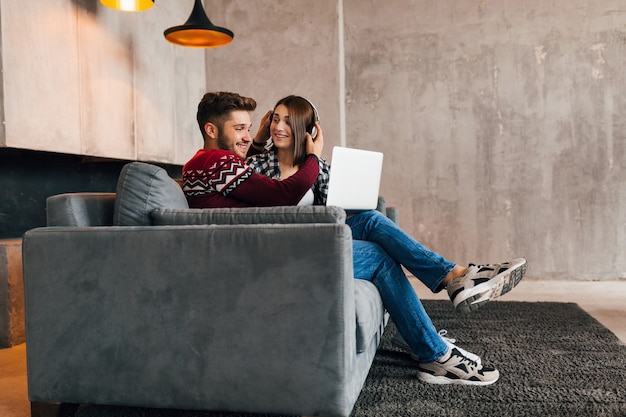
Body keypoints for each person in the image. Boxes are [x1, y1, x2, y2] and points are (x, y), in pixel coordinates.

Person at [183, 92, 528, 386]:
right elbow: (284, 193)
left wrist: (280, 147)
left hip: (281, 243)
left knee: (369, 219)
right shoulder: (216, 162)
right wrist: (312, 154)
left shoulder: (220, 162)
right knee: (378, 255)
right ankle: (437, 341)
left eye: (251, 126)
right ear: (212, 130)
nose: (250, 134)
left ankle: (454, 280)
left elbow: (257, 172)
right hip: (273, 254)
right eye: (240, 128)